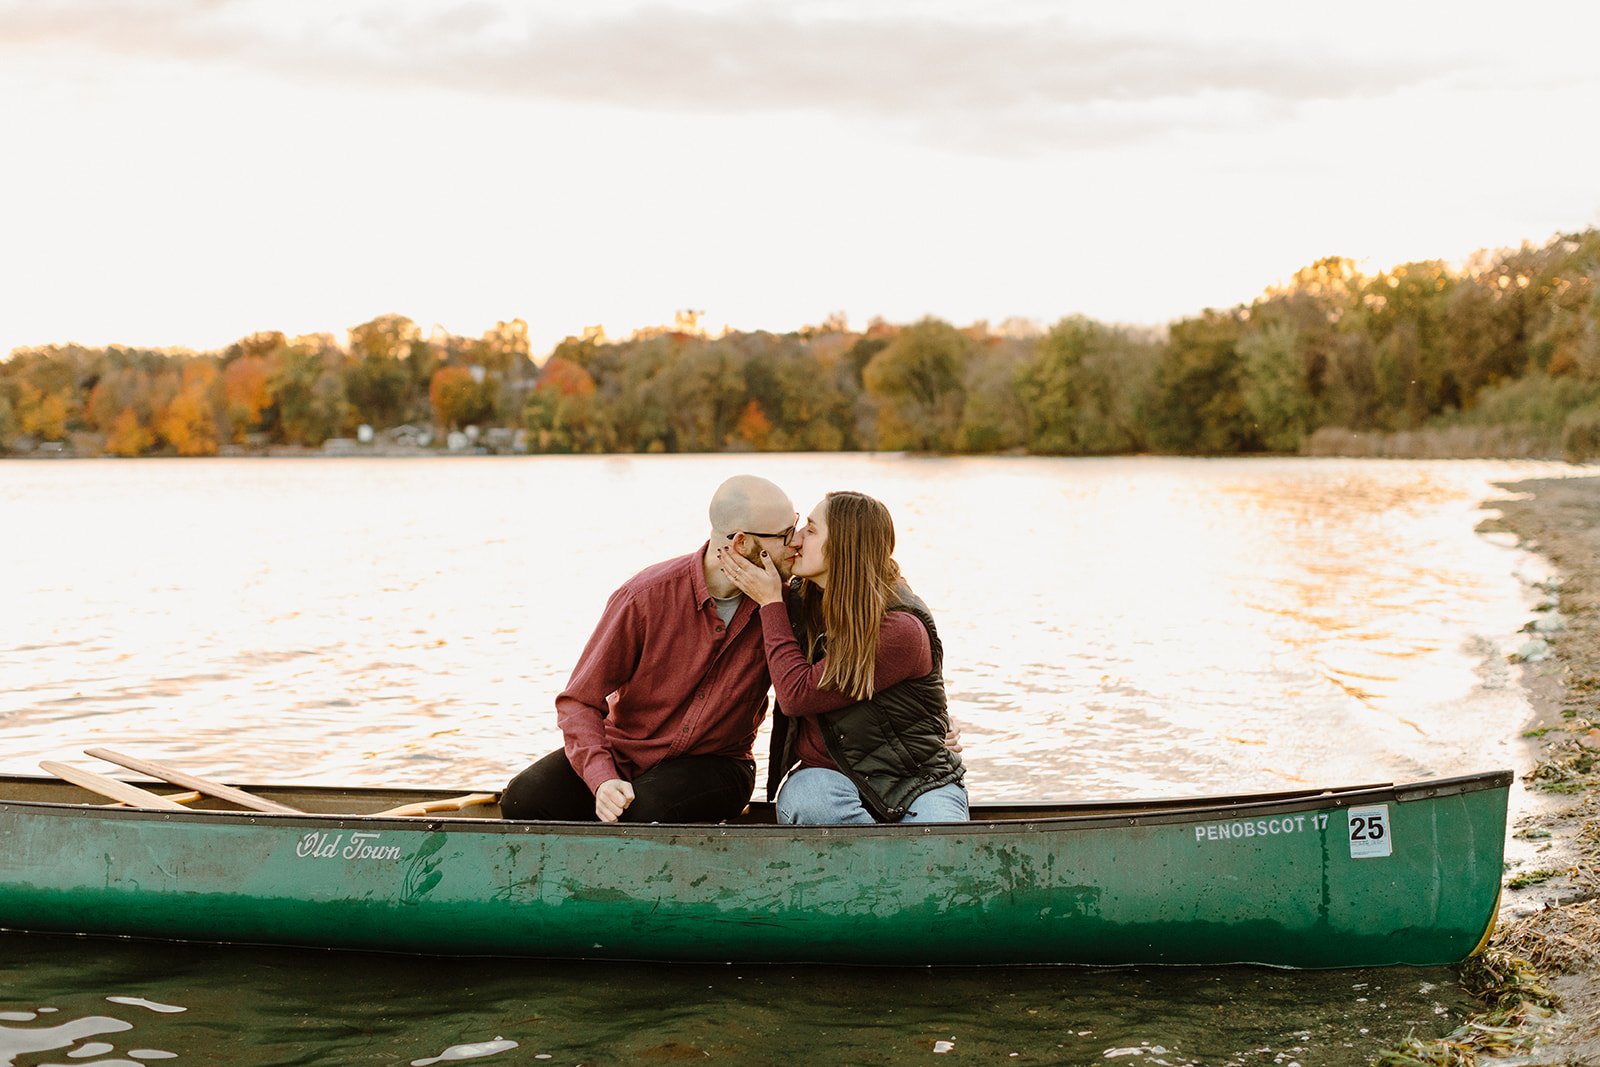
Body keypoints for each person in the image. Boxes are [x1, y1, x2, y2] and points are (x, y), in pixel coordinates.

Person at [499, 475, 801, 823]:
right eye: (785, 534)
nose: (795, 544)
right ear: (742, 543)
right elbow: (578, 701)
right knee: (524, 799)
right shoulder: (644, 598)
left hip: (717, 764)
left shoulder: (788, 605)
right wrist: (603, 778)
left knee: (646, 812)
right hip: (626, 751)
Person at [719, 490, 967, 824]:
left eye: (810, 529)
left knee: (942, 841)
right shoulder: (799, 599)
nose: (795, 540)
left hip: (916, 779)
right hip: (825, 776)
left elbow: (797, 694)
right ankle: (889, 866)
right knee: (811, 803)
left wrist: (770, 604)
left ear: (844, 546)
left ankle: (882, 865)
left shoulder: (899, 627)